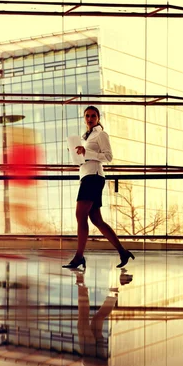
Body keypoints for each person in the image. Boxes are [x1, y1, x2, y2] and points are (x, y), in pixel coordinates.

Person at [63, 106, 135, 270]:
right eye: (87, 116)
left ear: (98, 118)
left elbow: (108, 157)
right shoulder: (86, 137)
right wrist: (78, 155)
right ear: (84, 118)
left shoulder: (101, 134)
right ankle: (123, 252)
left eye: (93, 116)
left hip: (94, 178)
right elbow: (87, 157)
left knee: (80, 215)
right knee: (96, 219)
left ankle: (79, 257)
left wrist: (87, 153)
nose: (89, 118)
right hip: (87, 177)